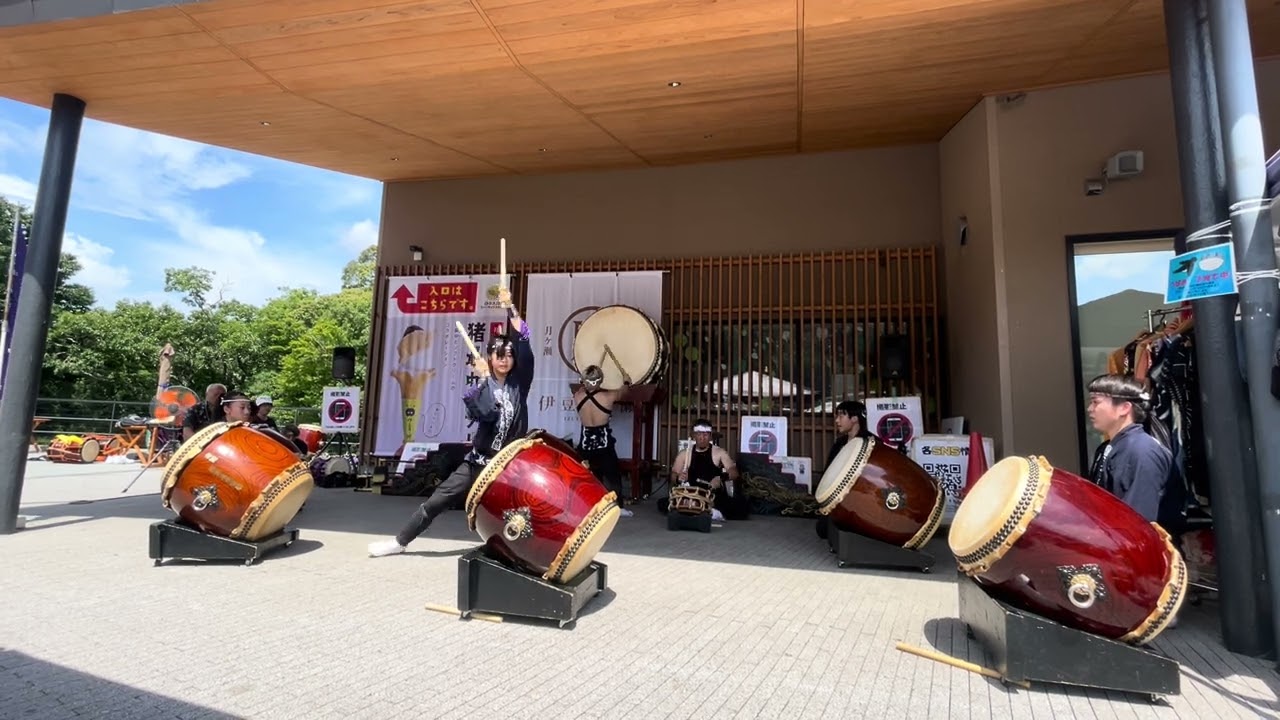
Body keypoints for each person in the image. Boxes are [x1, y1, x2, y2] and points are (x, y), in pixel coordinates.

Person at [369, 287, 533, 557]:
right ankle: (399, 542)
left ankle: (530, 553)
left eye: (509, 354)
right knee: (437, 500)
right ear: (489, 358)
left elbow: (525, 338)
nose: (504, 359)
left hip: (508, 466)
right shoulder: (477, 389)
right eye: (498, 354)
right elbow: (488, 414)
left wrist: (510, 308)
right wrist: (482, 381)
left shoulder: (520, 384)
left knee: (522, 510)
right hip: (478, 462)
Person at [1085, 374, 1177, 524]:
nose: (1090, 409)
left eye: (1096, 402)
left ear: (1124, 407)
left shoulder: (1143, 451)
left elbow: (1139, 522)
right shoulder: (1108, 448)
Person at [572, 365, 633, 517]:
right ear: (600, 381)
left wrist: (586, 382)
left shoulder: (577, 396)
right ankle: (618, 507)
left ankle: (590, 507)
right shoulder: (608, 397)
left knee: (589, 475)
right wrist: (626, 382)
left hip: (585, 441)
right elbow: (623, 393)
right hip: (603, 441)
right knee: (612, 474)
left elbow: (583, 387)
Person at [665, 418, 747, 521]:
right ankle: (704, 511)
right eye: (699, 434)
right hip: (692, 494)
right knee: (664, 503)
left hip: (712, 495)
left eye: (705, 435)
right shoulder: (685, 454)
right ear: (694, 435)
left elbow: (734, 472)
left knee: (742, 506)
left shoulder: (719, 452)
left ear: (710, 436)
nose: (702, 438)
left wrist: (721, 478)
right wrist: (678, 478)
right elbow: (673, 474)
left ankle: (703, 511)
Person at [826, 400, 871, 469]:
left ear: (854, 418)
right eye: (837, 416)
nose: (836, 420)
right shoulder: (839, 443)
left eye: (841, 416)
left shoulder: (870, 442)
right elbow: (828, 469)